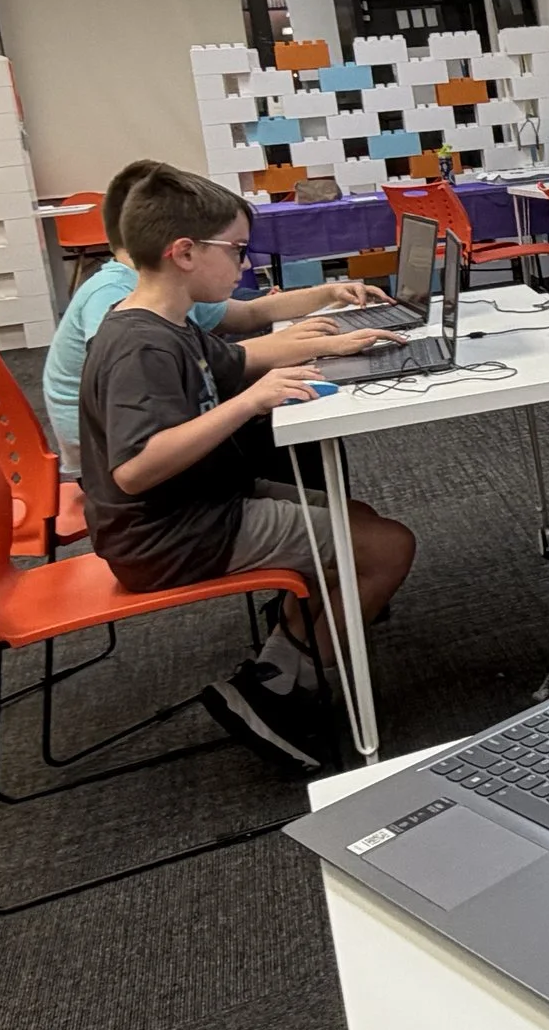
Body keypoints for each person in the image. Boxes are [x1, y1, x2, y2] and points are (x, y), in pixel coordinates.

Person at [79, 167, 417, 774]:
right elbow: (134, 469)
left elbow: (238, 359)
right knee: (388, 547)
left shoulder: (167, 323)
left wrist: (332, 345)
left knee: (357, 518)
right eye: (236, 250)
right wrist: (247, 404)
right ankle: (283, 694)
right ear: (184, 253)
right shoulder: (142, 346)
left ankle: (274, 675)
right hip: (173, 534)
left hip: (199, 506)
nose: (245, 264)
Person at [43, 158, 397, 473]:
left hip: (155, 429)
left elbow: (248, 317)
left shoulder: (168, 291)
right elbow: (131, 401)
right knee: (287, 438)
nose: (245, 263)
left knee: (290, 424)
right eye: (237, 250)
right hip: (109, 449)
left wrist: (328, 296)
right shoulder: (119, 303)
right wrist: (311, 346)